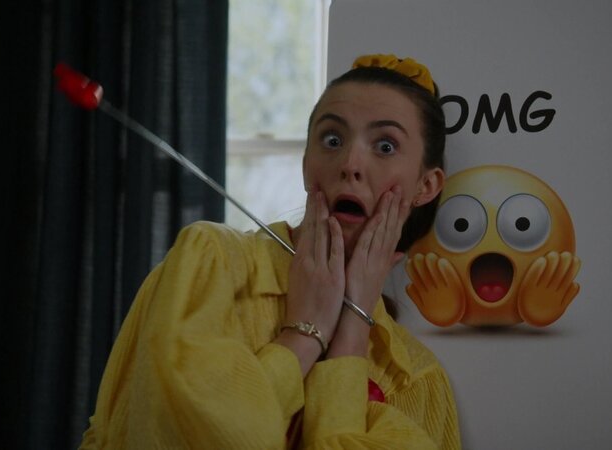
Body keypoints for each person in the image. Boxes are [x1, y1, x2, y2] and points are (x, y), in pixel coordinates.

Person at [80, 54, 460, 449]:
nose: (350, 164)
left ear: (426, 186)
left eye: (385, 146)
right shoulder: (212, 265)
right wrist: (304, 334)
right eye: (332, 140)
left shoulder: (417, 380)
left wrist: (352, 330)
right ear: (306, 164)